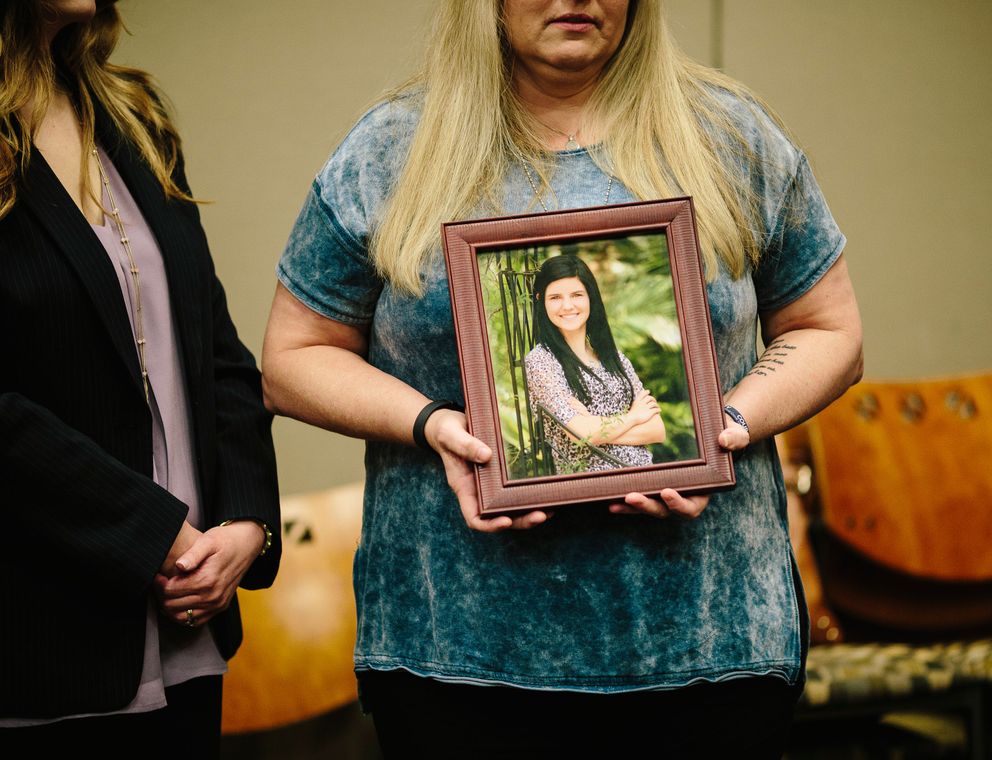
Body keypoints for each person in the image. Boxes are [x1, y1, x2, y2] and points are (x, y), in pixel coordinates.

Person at [262, 0, 861, 756]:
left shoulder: (731, 135)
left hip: (709, 647)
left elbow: (828, 330)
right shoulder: (390, 150)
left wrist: (725, 428)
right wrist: (432, 424)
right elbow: (292, 358)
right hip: (462, 653)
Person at [0, 1, 281, 756]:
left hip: (189, 626)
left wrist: (245, 524)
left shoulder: (136, 115)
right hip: (40, 639)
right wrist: (153, 534)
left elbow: (211, 343)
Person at [524, 252, 664, 473]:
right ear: (541, 301)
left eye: (577, 294)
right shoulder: (541, 361)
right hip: (591, 486)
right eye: (556, 297)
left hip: (645, 477)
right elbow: (583, 433)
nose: (567, 306)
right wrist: (633, 417)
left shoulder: (613, 357)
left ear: (590, 297)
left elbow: (657, 430)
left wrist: (595, 428)